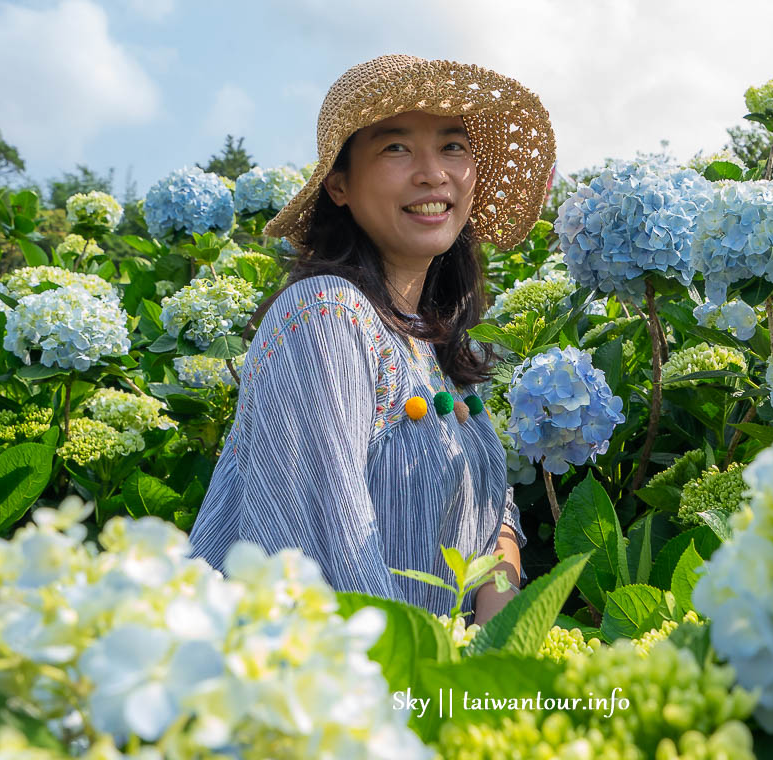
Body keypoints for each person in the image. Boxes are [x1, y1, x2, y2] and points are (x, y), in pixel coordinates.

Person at [188, 54, 557, 626]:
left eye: (452, 146)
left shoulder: (433, 347)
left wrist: (498, 600)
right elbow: (324, 565)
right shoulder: (326, 316)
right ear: (339, 185)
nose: (433, 173)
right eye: (396, 147)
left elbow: (494, 513)